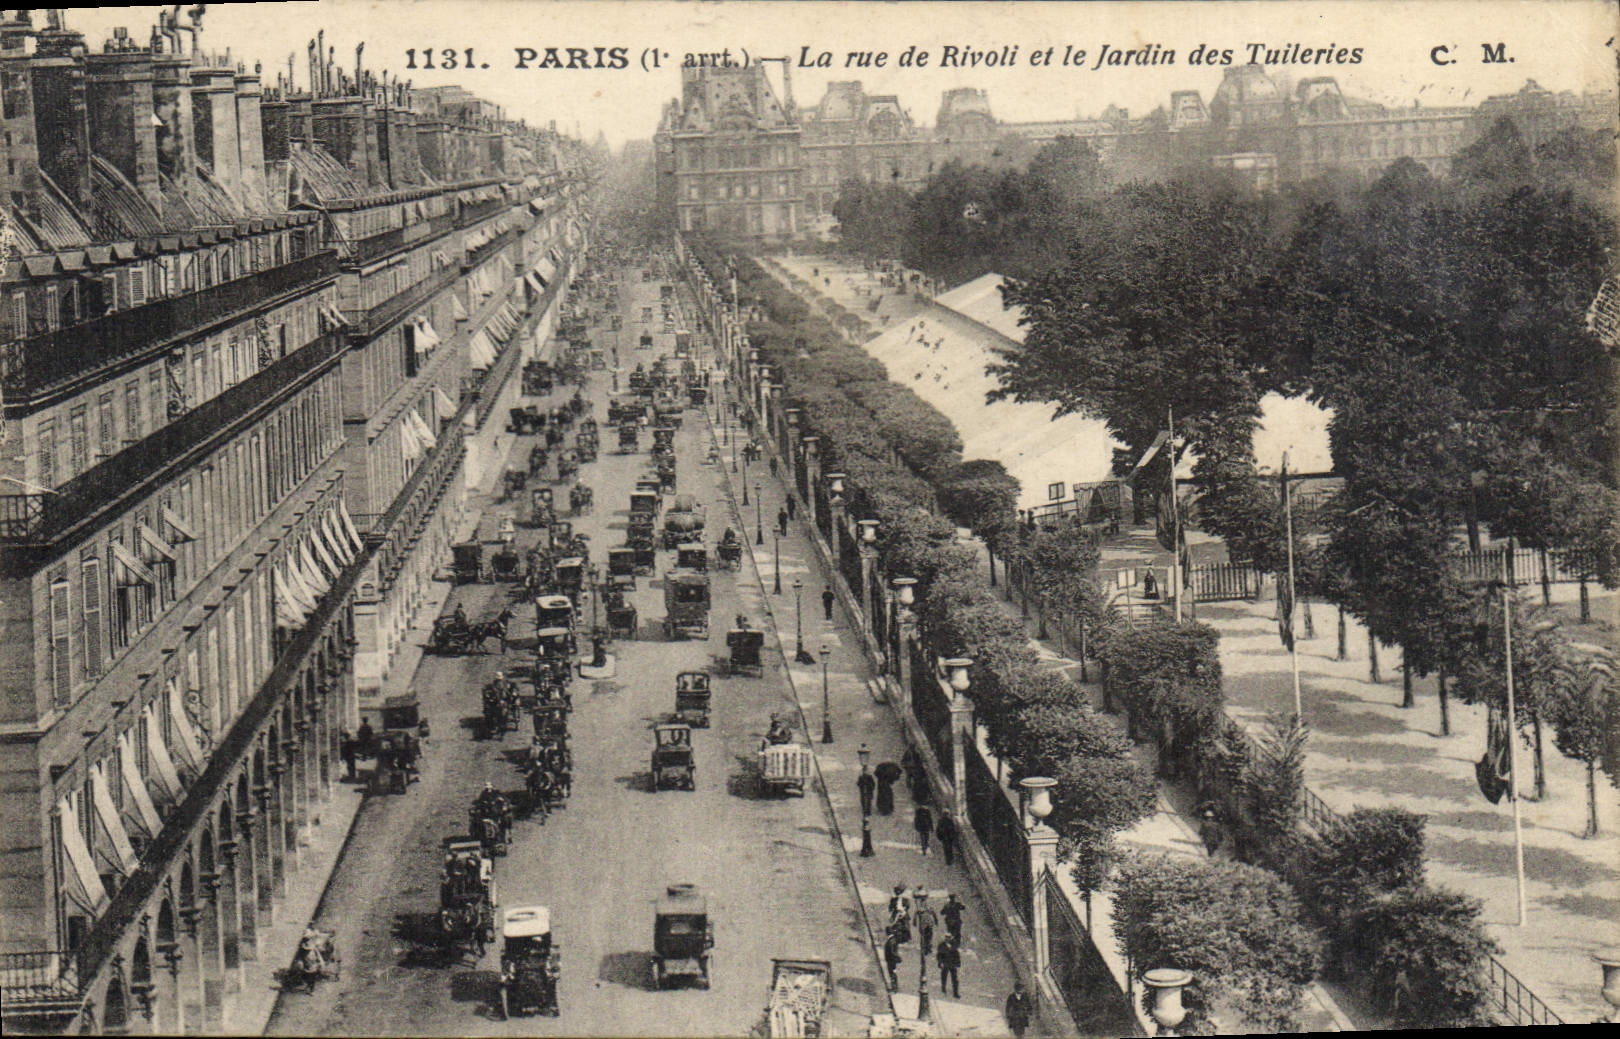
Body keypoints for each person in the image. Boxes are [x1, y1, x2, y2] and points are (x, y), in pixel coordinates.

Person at [936, 934, 962, 999]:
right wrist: (940, 963)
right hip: (945, 964)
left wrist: (958, 963)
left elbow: (957, 955)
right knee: (944, 977)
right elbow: (939, 955)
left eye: (949, 937)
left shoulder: (954, 945)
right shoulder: (941, 945)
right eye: (946, 937)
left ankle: (955, 992)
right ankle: (943, 989)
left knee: (955, 979)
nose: (947, 939)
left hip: (952, 964)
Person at [914, 890, 939, 956]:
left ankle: (927, 949)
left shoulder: (922, 905)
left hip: (926, 922)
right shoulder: (919, 904)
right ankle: (926, 949)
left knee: (927, 936)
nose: (922, 898)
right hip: (925, 923)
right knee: (925, 936)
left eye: (923, 897)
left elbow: (933, 912)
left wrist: (936, 920)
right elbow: (916, 913)